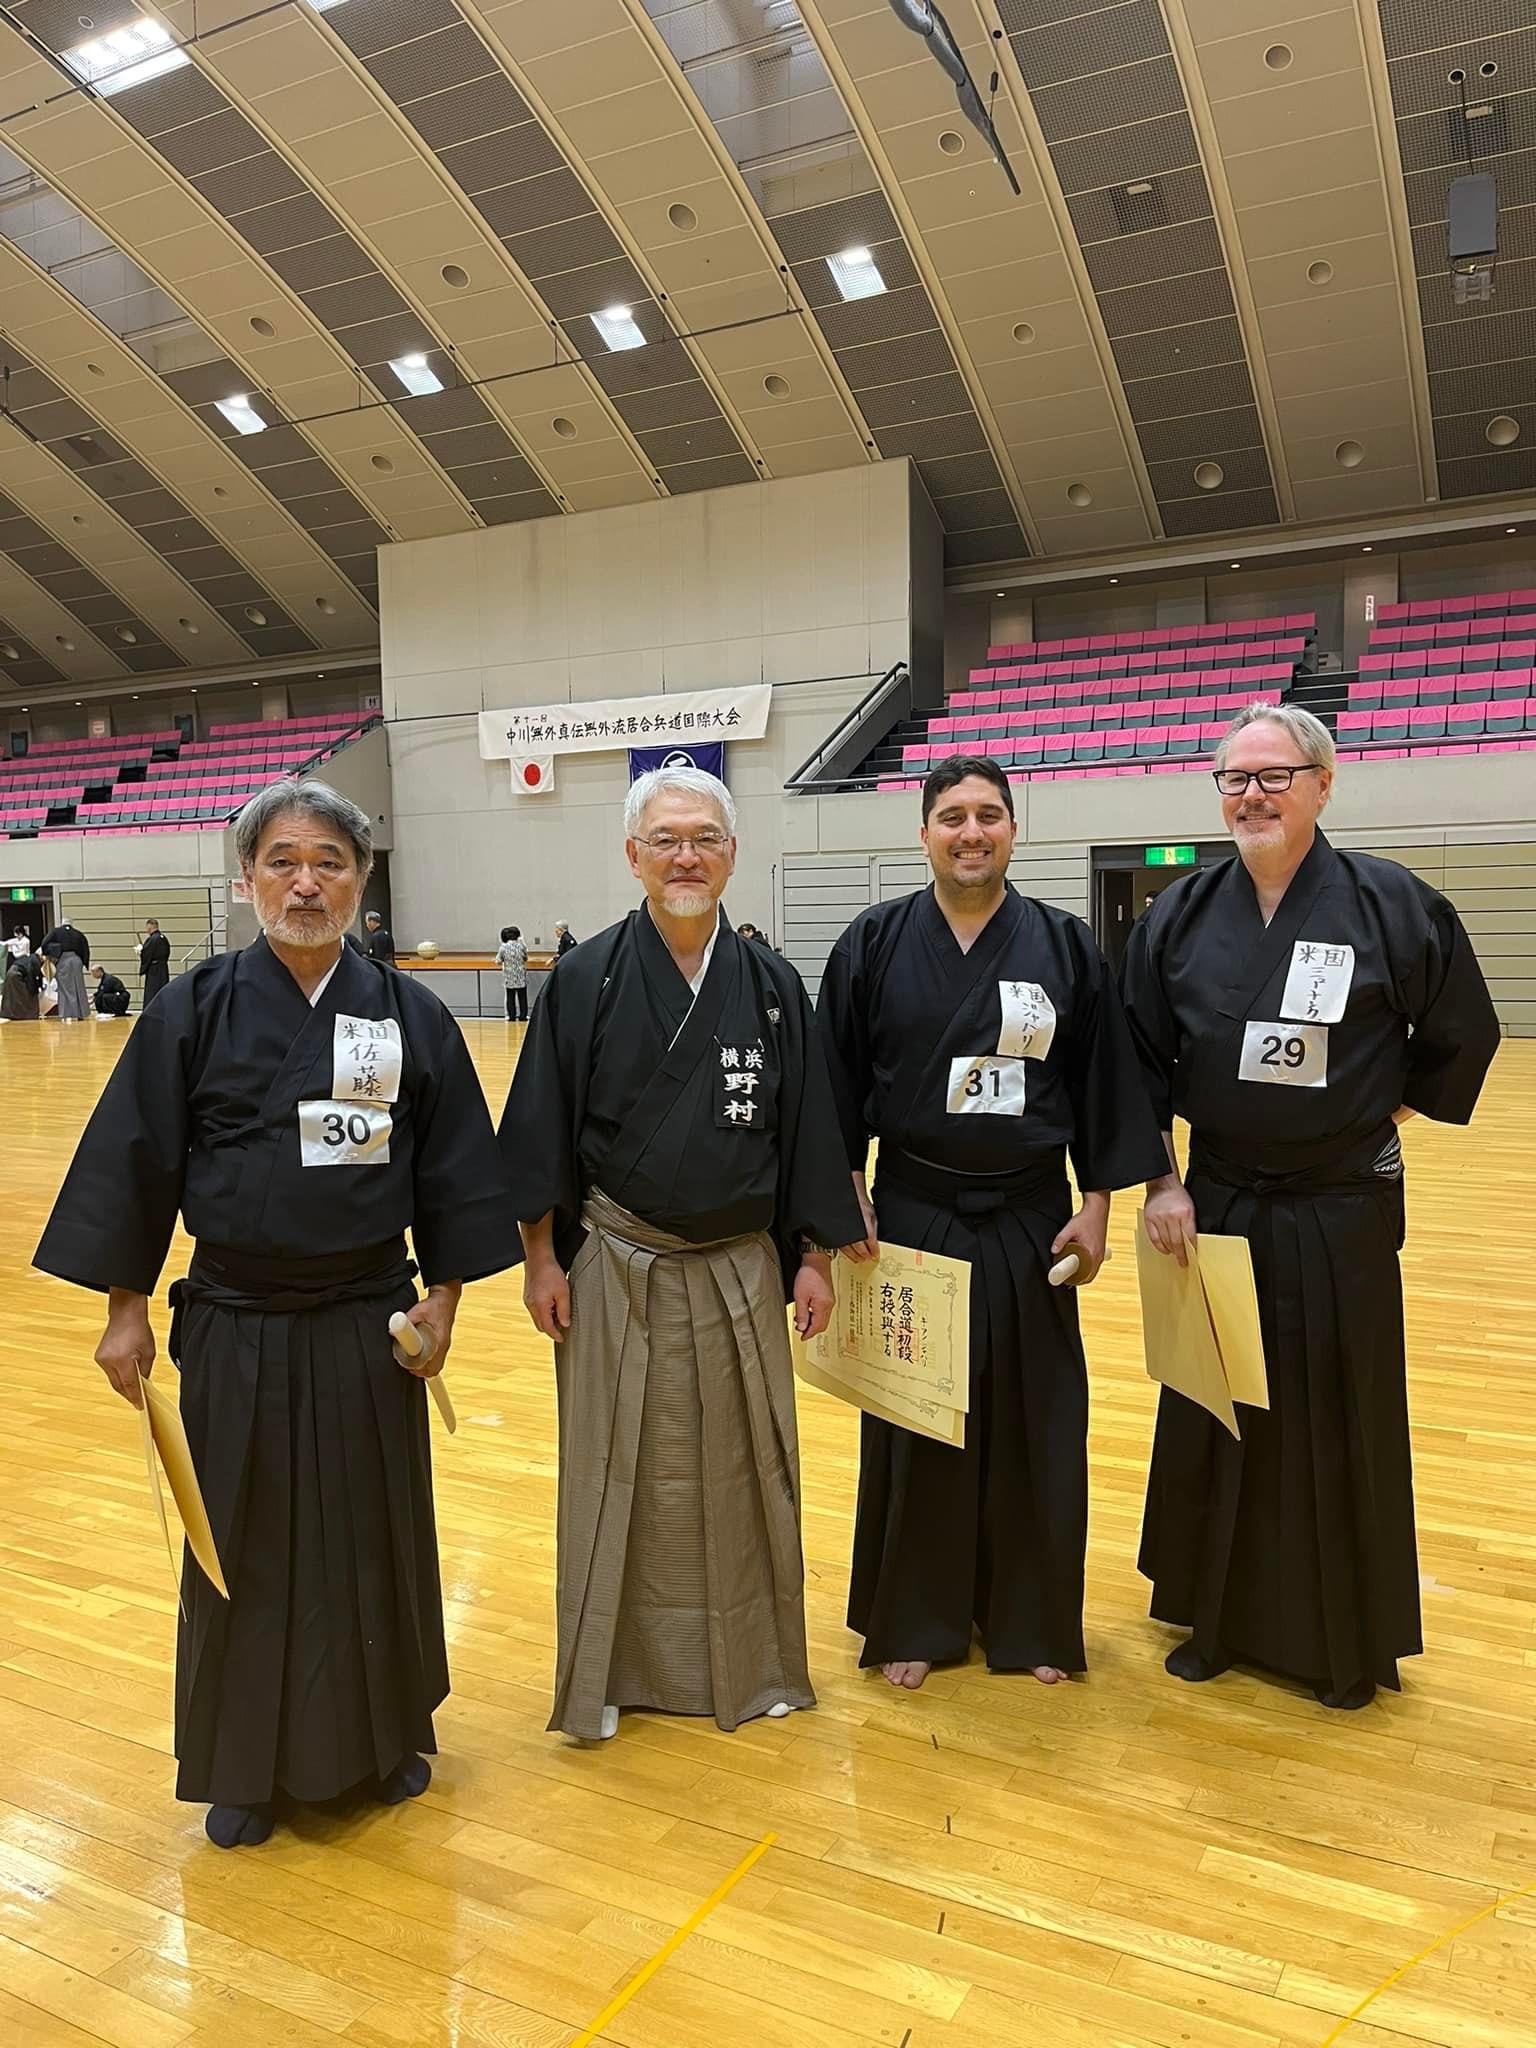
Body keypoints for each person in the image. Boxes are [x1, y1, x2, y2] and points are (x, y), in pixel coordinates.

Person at [34, 778, 518, 1847]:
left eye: (331, 862)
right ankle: (244, 1763)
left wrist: (442, 1304)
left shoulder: (409, 1014)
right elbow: (136, 1157)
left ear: (361, 878)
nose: (308, 882)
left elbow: (453, 1173)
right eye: (284, 862)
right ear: (248, 878)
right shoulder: (194, 1006)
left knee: (370, 1533)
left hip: (367, 1319)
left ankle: (386, 1734)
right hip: (238, 1317)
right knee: (237, 1539)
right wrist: (125, 1310)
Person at [1121, 703, 1499, 1711]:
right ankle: (1216, 1619)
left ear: (1323, 786)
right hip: (1225, 1197)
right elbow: (1135, 1057)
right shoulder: (1181, 913)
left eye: (1274, 775)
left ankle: (1344, 1640)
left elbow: (1464, 1027)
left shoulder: (1390, 902)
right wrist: (1162, 1181)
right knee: (1225, 1404)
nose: (1252, 793)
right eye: (1234, 778)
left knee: (1339, 1408)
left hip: (1342, 1203)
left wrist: (1381, 1112)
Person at [498, 765, 862, 1742]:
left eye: (705, 836)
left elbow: (809, 1132)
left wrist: (815, 1256)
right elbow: (538, 1129)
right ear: (634, 855)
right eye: (666, 838)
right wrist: (542, 1259)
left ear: (732, 852)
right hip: (618, 1263)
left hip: (743, 1264)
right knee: (620, 1468)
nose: (687, 854)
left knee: (745, 1471)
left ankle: (752, 1663)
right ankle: (615, 1670)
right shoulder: (585, 978)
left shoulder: (775, 985)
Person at [818, 755, 1167, 1692]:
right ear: (923, 832)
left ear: (1014, 829)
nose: (971, 831)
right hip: (913, 1212)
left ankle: (1034, 1619)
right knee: (919, 1417)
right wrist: (846, 1187)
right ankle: (916, 1618)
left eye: (989, 815)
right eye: (952, 816)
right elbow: (835, 1084)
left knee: (1035, 1418)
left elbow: (1103, 1083)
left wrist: (1096, 1206)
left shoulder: (1063, 945)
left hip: (1030, 1213)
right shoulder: (874, 943)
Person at [45, 936, 88, 1020]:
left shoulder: (55, 935)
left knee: (65, 991)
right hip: (77, 961)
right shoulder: (78, 935)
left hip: (63, 962)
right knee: (78, 988)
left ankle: (66, 1014)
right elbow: (85, 948)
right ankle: (80, 1013)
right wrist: (86, 962)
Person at [496, 925, 528, 1021]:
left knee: (510, 997)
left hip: (509, 975)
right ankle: (523, 1016)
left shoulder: (503, 947)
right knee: (522, 997)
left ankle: (512, 1016)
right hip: (520, 975)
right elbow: (525, 958)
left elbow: (498, 961)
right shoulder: (521, 946)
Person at [1, 946, 42, 1020]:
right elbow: (31, 975)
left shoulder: (30, 958)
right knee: (26, 996)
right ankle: (26, 1015)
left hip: (10, 973)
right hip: (16, 976)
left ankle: (11, 1014)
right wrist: (34, 990)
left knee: (12, 997)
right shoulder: (35, 961)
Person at [139, 919, 170, 1006]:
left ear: (150, 926)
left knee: (152, 992)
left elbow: (147, 954)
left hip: (154, 970)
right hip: (163, 968)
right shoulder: (163, 938)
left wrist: (141, 952)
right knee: (162, 989)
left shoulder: (152, 939)